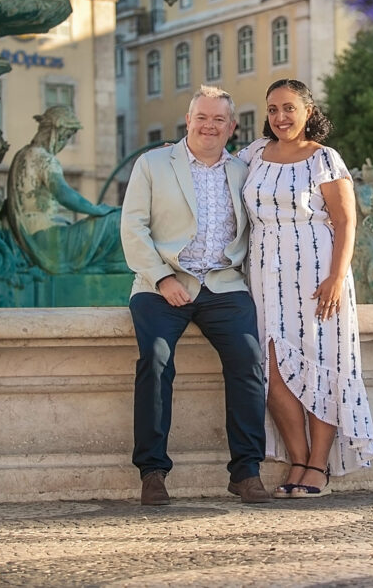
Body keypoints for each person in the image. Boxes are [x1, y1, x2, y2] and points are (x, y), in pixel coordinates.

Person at [120, 85, 269, 506]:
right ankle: (152, 471)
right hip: (162, 284)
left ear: (232, 127)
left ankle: (246, 471)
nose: (209, 125)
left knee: (248, 359)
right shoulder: (152, 164)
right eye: (202, 117)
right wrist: (161, 278)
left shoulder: (244, 171)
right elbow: (132, 227)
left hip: (222, 284)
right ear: (188, 122)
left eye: (219, 119)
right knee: (156, 359)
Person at [239, 79, 373, 498]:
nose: (281, 117)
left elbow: (346, 221)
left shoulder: (324, 160)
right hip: (264, 275)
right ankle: (298, 460)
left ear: (308, 112)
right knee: (274, 367)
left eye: (289, 108)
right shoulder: (252, 156)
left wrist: (337, 276)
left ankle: (318, 465)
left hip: (318, 276)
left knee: (324, 365)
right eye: (273, 109)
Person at [6, 105, 126, 275]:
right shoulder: (43, 159)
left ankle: (109, 266)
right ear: (57, 131)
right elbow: (64, 195)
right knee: (119, 219)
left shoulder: (21, 155)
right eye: (67, 136)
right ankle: (112, 267)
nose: (65, 142)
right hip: (48, 240)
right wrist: (97, 209)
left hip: (32, 237)